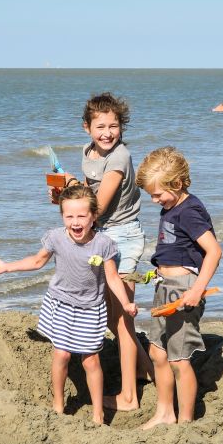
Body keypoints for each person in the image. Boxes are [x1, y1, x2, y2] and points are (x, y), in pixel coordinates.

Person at [0, 184, 137, 425]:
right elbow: (37, 261)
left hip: (90, 308)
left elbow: (111, 278)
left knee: (91, 360)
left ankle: (98, 413)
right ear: (62, 216)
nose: (75, 222)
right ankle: (58, 404)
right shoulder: (55, 237)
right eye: (69, 216)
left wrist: (126, 303)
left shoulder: (103, 244)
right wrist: (6, 267)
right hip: (60, 304)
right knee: (62, 354)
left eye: (81, 216)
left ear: (94, 216)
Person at [55, 92, 152, 412]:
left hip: (122, 237)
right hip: (102, 235)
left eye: (114, 126)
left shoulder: (119, 158)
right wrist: (66, 193)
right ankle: (145, 368)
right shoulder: (89, 151)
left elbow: (99, 204)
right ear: (87, 128)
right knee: (113, 317)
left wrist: (71, 188)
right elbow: (86, 193)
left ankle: (128, 397)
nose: (107, 132)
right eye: (101, 126)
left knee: (123, 319)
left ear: (122, 128)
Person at [135, 147, 222, 429]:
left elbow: (214, 251)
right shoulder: (171, 207)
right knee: (157, 352)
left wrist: (196, 290)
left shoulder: (190, 212)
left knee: (178, 358)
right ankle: (164, 413)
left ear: (179, 183)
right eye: (151, 194)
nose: (154, 200)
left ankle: (185, 421)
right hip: (165, 286)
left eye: (158, 194)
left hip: (183, 289)